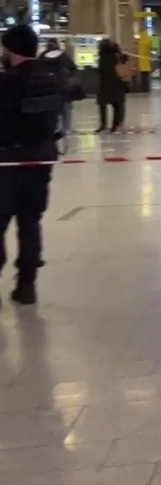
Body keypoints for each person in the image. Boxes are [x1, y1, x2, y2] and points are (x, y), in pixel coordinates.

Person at [0, 25, 62, 306]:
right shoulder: (49, 77)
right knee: (30, 221)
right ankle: (26, 285)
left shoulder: (7, 83)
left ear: (10, 49)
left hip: (8, 161)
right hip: (41, 159)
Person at [40, 38, 78, 136]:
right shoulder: (63, 55)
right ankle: (67, 128)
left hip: (49, 87)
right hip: (63, 86)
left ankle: (54, 128)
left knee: (52, 109)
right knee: (65, 108)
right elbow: (73, 68)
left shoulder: (43, 56)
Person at [95, 39, 128, 133]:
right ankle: (115, 125)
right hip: (117, 84)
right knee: (117, 105)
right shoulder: (118, 56)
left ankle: (103, 124)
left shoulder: (102, 57)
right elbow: (124, 62)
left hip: (104, 84)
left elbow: (100, 71)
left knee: (102, 105)